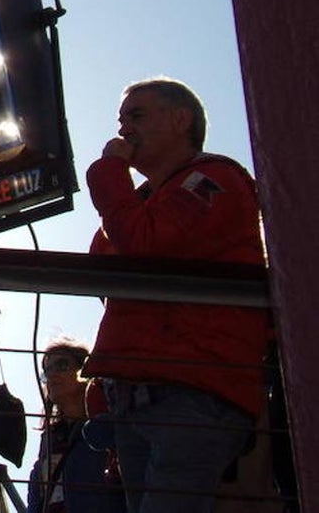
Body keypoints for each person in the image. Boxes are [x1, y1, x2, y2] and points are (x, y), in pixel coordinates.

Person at [82, 78, 270, 513]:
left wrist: (108, 173)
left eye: (137, 115)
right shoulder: (148, 198)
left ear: (180, 119)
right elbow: (108, 268)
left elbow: (144, 245)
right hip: (140, 400)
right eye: (121, 120)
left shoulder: (214, 180)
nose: (125, 129)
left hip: (192, 394)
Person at [27, 338, 125, 513]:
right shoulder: (50, 440)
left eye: (62, 365)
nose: (52, 375)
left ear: (85, 371)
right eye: (46, 372)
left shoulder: (110, 424)